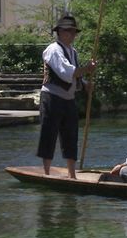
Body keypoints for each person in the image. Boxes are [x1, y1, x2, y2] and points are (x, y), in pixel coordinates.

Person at [37, 14, 96, 179]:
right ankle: (47, 173)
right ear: (60, 32)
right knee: (49, 134)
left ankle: (72, 174)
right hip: (52, 98)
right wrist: (86, 69)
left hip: (68, 99)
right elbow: (66, 73)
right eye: (68, 31)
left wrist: (85, 84)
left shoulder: (73, 52)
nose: (72, 34)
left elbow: (75, 75)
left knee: (70, 136)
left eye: (73, 31)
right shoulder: (53, 50)